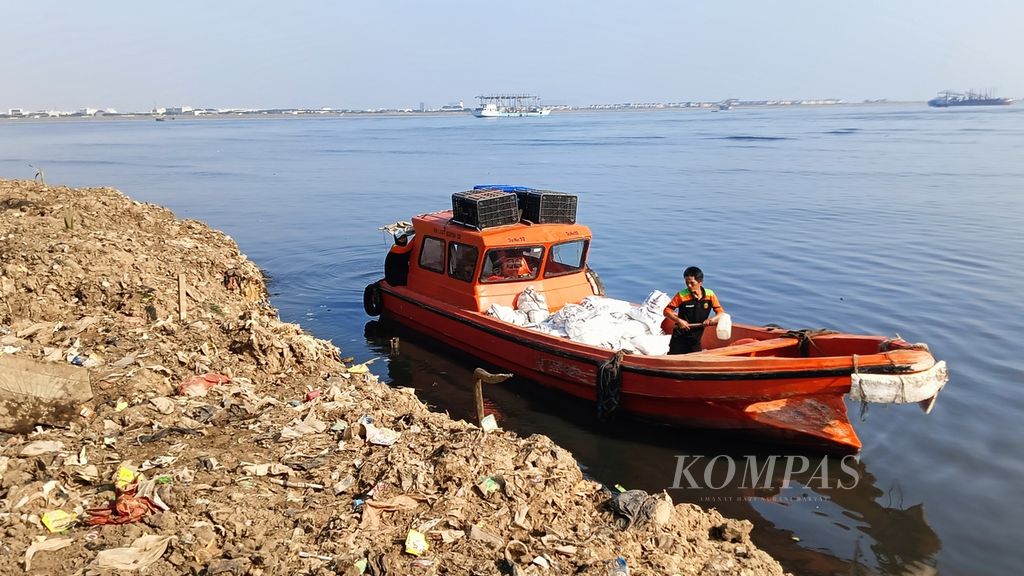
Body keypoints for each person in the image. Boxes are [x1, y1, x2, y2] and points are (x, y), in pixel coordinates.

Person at [663, 266, 725, 354]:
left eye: (692, 283)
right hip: (680, 336)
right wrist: (679, 320)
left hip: (696, 338)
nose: (689, 286)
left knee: (696, 359)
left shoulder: (710, 294)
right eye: (686, 283)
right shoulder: (681, 295)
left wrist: (712, 320)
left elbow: (720, 312)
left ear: (700, 282)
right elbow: (667, 311)